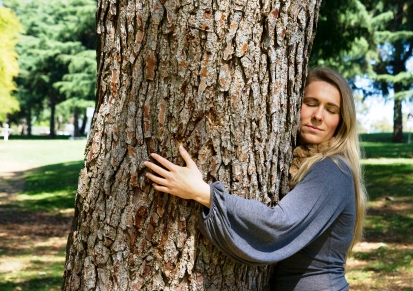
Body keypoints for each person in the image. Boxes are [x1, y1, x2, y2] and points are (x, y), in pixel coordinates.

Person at [144, 67, 367, 291]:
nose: (318, 115)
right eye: (310, 102)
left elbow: (278, 225)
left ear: (341, 122)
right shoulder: (313, 163)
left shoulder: (332, 170)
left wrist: (202, 193)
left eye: (331, 109)